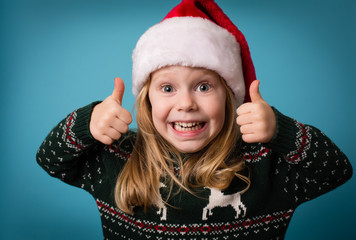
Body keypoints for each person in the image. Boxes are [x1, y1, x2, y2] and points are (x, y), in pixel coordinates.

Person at [36, 0, 353, 239]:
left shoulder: (266, 163)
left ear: (229, 97)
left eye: (204, 86)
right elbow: (50, 159)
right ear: (147, 99)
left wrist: (280, 131)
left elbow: (336, 171)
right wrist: (87, 123)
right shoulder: (117, 157)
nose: (186, 103)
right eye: (167, 88)